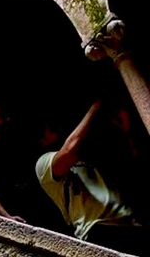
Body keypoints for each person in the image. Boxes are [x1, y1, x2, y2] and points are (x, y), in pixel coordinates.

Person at [35, 100, 144, 253]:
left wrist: (127, 131)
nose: (55, 127)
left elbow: (135, 169)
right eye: (48, 128)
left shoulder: (91, 155)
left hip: (132, 225)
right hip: (99, 230)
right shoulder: (43, 162)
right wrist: (96, 106)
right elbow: (70, 149)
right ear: (42, 140)